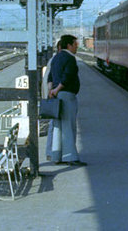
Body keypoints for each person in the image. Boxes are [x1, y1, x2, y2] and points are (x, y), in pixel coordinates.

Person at [48, 34, 86, 166]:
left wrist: (51, 91)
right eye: (75, 44)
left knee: (57, 127)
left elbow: (50, 77)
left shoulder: (56, 58)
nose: (77, 47)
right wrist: (57, 89)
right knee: (69, 126)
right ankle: (70, 157)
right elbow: (67, 77)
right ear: (69, 45)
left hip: (56, 95)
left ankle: (56, 156)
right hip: (66, 95)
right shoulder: (70, 58)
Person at [43, 40, 60, 160]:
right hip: (52, 96)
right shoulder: (56, 60)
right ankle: (50, 152)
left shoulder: (53, 60)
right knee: (53, 126)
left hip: (50, 95)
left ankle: (52, 152)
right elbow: (51, 79)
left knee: (53, 125)